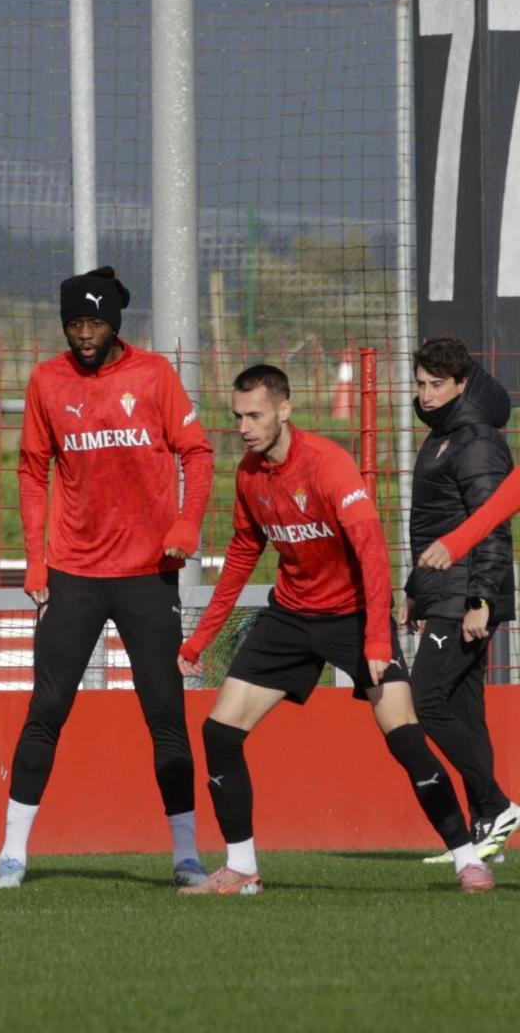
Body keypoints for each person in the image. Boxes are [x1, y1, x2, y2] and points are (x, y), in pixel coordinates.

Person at [177, 364, 491, 895]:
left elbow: (371, 555)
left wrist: (373, 639)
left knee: (405, 736)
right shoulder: (250, 475)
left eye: (255, 415)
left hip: (354, 616)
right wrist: (201, 638)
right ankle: (241, 867)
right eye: (237, 417)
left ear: (284, 409)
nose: (245, 427)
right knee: (219, 732)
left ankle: (468, 860)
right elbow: (240, 556)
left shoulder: (329, 465)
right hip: (291, 617)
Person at [0, 266, 214, 890]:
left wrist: (188, 523)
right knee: (48, 709)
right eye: (75, 323)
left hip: (148, 573)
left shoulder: (154, 375)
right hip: (74, 575)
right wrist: (36, 556)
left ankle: (186, 854)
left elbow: (197, 452)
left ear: (116, 323)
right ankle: (12, 854)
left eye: (95, 322)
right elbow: (33, 471)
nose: (85, 334)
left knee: (164, 714)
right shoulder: (47, 381)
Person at [398, 338, 519, 864]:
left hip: (467, 593)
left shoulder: (475, 440)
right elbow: (434, 525)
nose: (425, 395)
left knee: (423, 702)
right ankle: (485, 830)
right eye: (420, 384)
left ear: (463, 383)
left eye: (436, 385)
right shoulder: (442, 434)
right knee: (467, 715)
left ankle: (497, 804)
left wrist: (483, 602)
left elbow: (493, 528)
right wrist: (412, 591)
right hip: (443, 592)